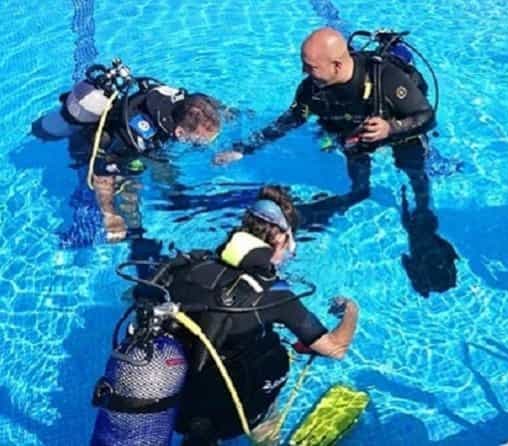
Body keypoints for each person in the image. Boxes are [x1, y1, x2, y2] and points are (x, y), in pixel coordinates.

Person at [154, 185, 359, 445]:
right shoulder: (276, 294)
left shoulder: (190, 266)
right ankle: (265, 436)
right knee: (270, 358)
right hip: (237, 413)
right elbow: (336, 349)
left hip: (173, 404)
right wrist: (351, 309)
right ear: (283, 239)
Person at [213, 27, 436, 213]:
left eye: (310, 67)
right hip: (354, 134)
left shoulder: (385, 77)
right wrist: (243, 149)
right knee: (358, 183)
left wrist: (391, 128)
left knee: (414, 170)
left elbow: (426, 116)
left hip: (398, 129)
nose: (303, 71)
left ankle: (423, 211)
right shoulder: (311, 89)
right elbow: (289, 121)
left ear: (337, 65)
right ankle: (359, 195)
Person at [32, 60, 222, 242]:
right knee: (131, 186)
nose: (203, 144)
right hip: (104, 145)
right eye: (198, 141)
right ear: (180, 132)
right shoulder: (134, 135)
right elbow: (102, 174)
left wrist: (237, 149)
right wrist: (110, 214)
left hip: (141, 138)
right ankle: (134, 233)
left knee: (163, 169)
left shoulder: (193, 104)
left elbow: (226, 114)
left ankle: (174, 199)